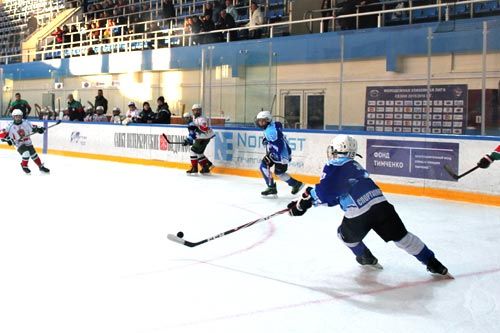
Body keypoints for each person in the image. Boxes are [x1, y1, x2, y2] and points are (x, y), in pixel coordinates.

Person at [287, 134, 449, 276]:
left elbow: (326, 192)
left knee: (344, 235)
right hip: (381, 206)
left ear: (336, 149)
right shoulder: (355, 165)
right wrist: (308, 201)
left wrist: (304, 202)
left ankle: (366, 257)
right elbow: (336, 194)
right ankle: (434, 264)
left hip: (359, 213)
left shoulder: (334, 165)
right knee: (403, 238)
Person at [255, 111, 304, 196]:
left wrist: (271, 154)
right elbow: (279, 124)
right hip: (280, 154)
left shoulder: (270, 132)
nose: (260, 123)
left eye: (263, 121)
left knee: (279, 173)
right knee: (265, 167)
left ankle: (295, 184)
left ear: (268, 120)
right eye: (259, 121)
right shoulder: (273, 125)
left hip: (281, 156)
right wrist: (267, 141)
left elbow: (279, 146)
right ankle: (273, 187)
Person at [0, 109, 50, 174]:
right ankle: (24, 166)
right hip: (18, 144)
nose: (18, 118)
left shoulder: (26, 122)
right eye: (16, 116)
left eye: (19, 116)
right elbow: (1, 134)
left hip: (27, 141)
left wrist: (39, 129)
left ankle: (40, 166)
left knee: (34, 155)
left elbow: (33, 127)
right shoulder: (10, 126)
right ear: (13, 117)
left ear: (22, 116)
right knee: (26, 153)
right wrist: (7, 139)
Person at [183, 104, 215, 174]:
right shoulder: (194, 118)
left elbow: (205, 128)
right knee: (199, 152)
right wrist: (189, 139)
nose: (197, 111)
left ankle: (195, 168)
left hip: (203, 138)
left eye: (198, 110)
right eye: (195, 110)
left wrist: (198, 127)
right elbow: (193, 131)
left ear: (201, 111)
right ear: (192, 111)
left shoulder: (202, 119)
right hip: (202, 138)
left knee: (193, 151)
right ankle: (207, 166)